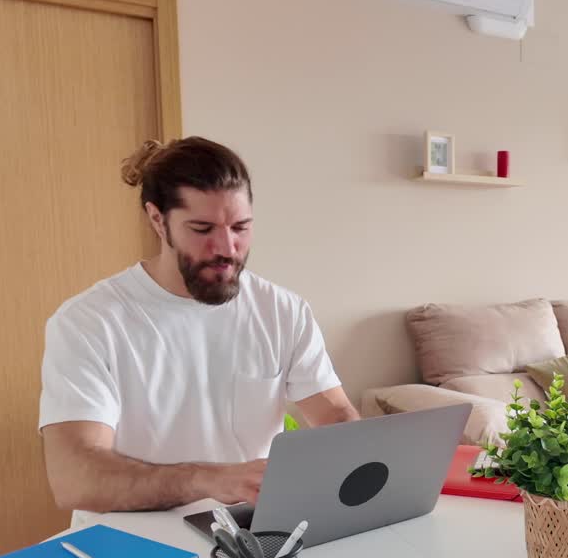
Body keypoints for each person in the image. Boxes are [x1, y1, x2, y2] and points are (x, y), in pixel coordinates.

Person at [39, 137, 359, 523]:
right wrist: (208, 480)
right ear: (158, 220)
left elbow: (334, 411)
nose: (226, 247)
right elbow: (76, 478)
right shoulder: (89, 322)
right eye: (202, 228)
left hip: (249, 536)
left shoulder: (282, 310)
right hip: (131, 547)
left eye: (240, 227)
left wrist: (355, 454)